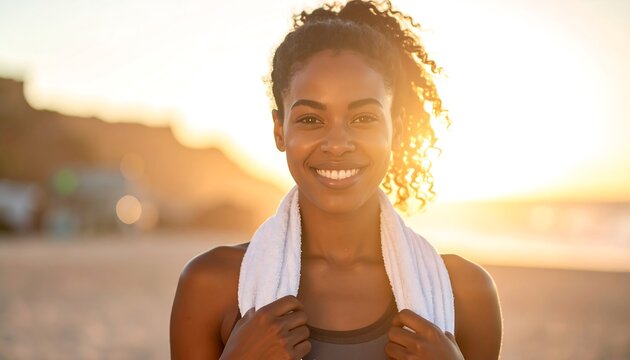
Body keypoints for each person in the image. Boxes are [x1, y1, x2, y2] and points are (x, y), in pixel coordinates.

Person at [169, 0, 503, 359]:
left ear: (398, 130)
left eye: (363, 118)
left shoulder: (467, 292)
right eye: (311, 119)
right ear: (279, 131)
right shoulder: (211, 285)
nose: (338, 144)